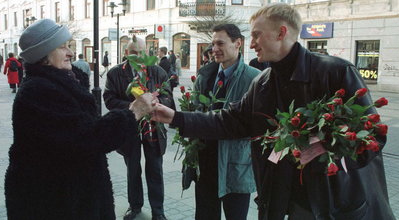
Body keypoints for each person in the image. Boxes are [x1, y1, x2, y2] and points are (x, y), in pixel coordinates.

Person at [134, 3, 394, 220]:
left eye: (257, 35)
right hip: (282, 200)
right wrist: (176, 117)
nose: (253, 43)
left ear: (281, 33)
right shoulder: (263, 83)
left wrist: (322, 145)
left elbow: (372, 137)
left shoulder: (336, 72)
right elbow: (231, 120)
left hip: (335, 202)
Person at [4, 19, 138, 220]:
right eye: (62, 47)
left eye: (69, 46)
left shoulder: (62, 82)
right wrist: (132, 113)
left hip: (72, 194)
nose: (71, 53)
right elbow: (85, 138)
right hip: (56, 201)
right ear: (44, 56)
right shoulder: (39, 91)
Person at [191, 24, 259, 220]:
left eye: (220, 43)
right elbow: (195, 111)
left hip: (235, 167)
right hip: (205, 164)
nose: (214, 49)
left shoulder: (254, 78)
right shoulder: (205, 75)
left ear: (238, 43)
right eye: (213, 44)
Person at [103, 35, 172, 220]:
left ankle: (158, 211)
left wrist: (156, 103)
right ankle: (135, 207)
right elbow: (109, 99)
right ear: (127, 53)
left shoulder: (157, 71)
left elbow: (168, 98)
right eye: (134, 52)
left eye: (142, 52)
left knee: (155, 169)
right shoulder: (115, 73)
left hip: (153, 127)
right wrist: (134, 107)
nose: (138, 56)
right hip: (129, 128)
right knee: (132, 169)